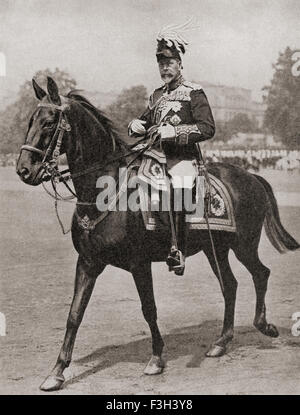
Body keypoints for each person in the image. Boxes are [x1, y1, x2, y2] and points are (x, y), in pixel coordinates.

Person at [128, 22, 215, 275]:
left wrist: (174, 132)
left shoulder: (193, 92)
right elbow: (148, 118)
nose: (165, 67)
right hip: (154, 156)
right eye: (161, 63)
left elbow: (207, 128)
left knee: (177, 190)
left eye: (169, 62)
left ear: (180, 64)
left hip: (183, 158)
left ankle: (178, 250)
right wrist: (138, 124)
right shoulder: (156, 95)